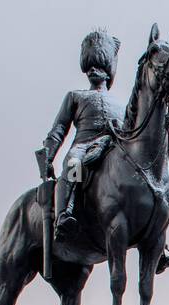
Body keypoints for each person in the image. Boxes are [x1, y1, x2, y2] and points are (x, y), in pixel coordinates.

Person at [41, 29, 123, 238]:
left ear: (109, 72)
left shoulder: (121, 104)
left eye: (100, 65)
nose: (93, 70)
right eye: (90, 66)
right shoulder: (75, 96)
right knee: (73, 165)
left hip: (111, 146)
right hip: (83, 146)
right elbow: (59, 129)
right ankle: (64, 214)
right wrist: (48, 156)